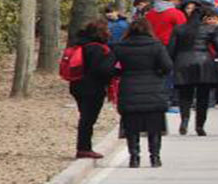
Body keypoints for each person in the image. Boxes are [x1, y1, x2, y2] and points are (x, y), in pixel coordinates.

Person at [112, 18, 173, 168]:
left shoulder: (121, 46)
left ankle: (134, 157)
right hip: (153, 87)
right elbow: (167, 66)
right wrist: (158, 73)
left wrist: (121, 73)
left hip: (130, 86)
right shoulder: (156, 45)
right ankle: (155, 157)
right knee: (155, 126)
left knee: (131, 125)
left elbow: (110, 67)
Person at [168, 6, 218, 136]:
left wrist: (170, 64)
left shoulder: (179, 29)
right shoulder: (209, 29)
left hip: (183, 61)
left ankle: (184, 120)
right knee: (203, 96)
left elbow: (171, 49)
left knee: (185, 95)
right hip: (204, 62)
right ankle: (200, 125)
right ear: (203, 18)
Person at [69, 19, 117, 159]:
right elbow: (102, 70)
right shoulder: (98, 49)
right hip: (93, 87)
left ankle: (84, 146)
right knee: (88, 119)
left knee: (85, 116)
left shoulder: (80, 45)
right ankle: (84, 148)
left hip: (77, 84)